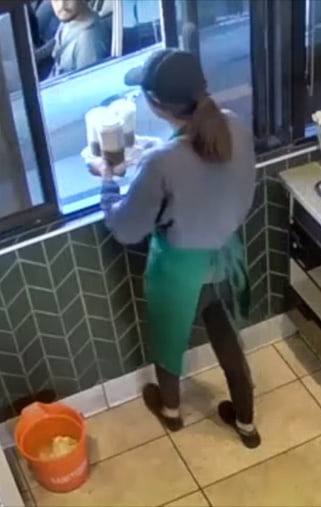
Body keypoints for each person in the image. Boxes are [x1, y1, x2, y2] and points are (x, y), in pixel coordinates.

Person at [98, 49, 260, 448]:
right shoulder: (235, 127)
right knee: (227, 338)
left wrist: (107, 180)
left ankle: (171, 412)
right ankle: (246, 422)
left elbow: (125, 228)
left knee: (169, 340)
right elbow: (207, 170)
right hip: (227, 256)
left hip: (180, 271)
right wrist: (164, 147)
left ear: (155, 104)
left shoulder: (161, 163)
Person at [35, 0, 108, 78]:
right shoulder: (69, 19)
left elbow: (86, 85)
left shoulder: (88, 42)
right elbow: (55, 43)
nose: (61, 5)